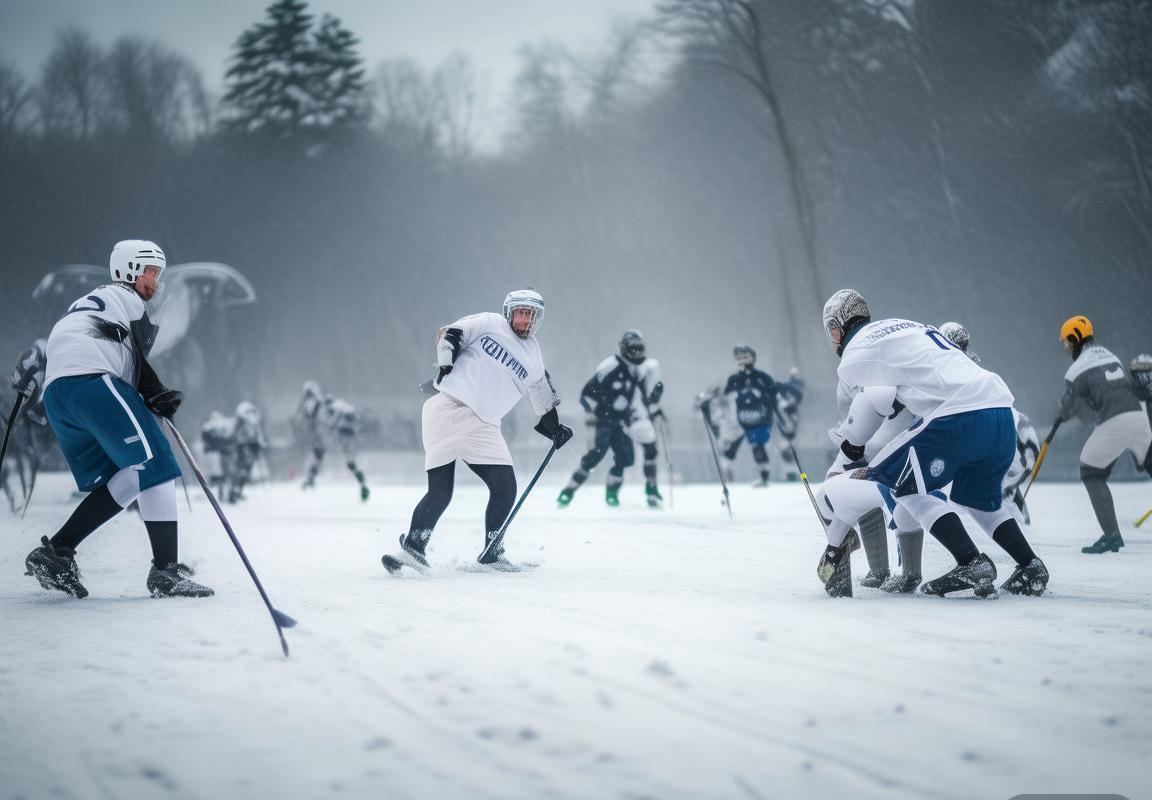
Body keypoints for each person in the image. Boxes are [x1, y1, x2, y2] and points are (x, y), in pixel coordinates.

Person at [815, 289, 1047, 599]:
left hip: (958, 415)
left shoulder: (859, 349)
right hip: (1000, 410)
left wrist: (850, 450)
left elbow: (877, 400)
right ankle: (1030, 565)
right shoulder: (905, 325)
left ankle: (970, 561)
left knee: (897, 483)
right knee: (977, 499)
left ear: (837, 327)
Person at [23, 239, 213, 598]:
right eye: (150, 272)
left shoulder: (86, 303)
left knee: (128, 478)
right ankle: (165, 571)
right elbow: (139, 362)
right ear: (128, 269)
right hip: (93, 383)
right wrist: (156, 392)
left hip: (60, 395)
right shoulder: (127, 300)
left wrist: (149, 393)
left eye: (158, 274)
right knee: (156, 462)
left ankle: (58, 551)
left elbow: (102, 351)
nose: (155, 282)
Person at [385, 288, 572, 571]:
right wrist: (446, 360)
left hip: (485, 425)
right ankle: (413, 549)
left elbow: (542, 395)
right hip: (448, 410)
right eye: (521, 313)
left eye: (531, 316)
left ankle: (491, 552)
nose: (525, 321)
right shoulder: (490, 323)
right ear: (510, 313)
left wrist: (555, 429)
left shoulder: (533, 356)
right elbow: (452, 333)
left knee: (505, 487)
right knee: (440, 492)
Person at [1052, 317, 1152, 554]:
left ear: (1076, 338)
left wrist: (1062, 412)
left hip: (1114, 421)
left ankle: (1112, 536)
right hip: (1139, 417)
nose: (1067, 348)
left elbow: (1068, 407)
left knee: (1091, 472)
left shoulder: (1075, 370)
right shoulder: (1111, 356)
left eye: (1067, 342)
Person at [940, 320, 1038, 525]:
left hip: (1008, 442)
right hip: (1019, 434)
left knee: (983, 499)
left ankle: (1022, 537)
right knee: (1001, 492)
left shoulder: (953, 374)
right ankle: (1023, 526)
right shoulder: (975, 369)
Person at [557, 329, 665, 508]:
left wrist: (654, 397)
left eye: (639, 349)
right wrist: (601, 411)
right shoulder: (610, 366)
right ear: (624, 348)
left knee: (626, 457)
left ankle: (612, 493)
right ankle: (568, 491)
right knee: (596, 454)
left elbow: (640, 396)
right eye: (633, 349)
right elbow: (586, 395)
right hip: (600, 419)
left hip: (620, 421)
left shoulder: (637, 370)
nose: (636, 353)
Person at [722, 345, 777, 487]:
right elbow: (726, 397)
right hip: (741, 421)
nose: (742, 361)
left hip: (761, 420)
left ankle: (764, 478)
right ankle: (727, 481)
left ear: (752, 358)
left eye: (745, 357)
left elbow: (774, 394)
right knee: (730, 449)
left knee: (757, 447)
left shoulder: (762, 378)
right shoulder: (734, 379)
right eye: (739, 358)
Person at [230, 400, 268, 502]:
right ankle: (234, 492)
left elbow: (258, 435)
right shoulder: (240, 423)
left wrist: (260, 444)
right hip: (243, 450)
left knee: (244, 472)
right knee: (241, 472)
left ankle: (237, 492)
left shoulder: (251, 422)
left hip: (248, 450)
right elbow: (237, 437)